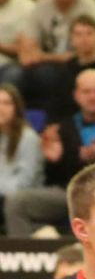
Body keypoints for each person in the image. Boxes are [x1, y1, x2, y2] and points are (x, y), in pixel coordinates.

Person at [3, 69, 95, 237]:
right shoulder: (67, 127)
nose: (92, 97)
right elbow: (57, 179)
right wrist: (55, 161)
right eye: (86, 92)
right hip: (70, 193)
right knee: (18, 202)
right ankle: (24, 251)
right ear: (77, 95)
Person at [15, 0, 95, 108]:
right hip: (48, 68)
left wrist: (44, 56)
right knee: (21, 74)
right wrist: (57, 57)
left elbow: (91, 49)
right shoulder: (40, 7)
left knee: (65, 76)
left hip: (86, 65)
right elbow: (28, 53)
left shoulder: (90, 7)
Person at [0, 82, 42, 232]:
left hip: (24, 197)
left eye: (7, 103)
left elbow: (24, 182)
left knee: (14, 202)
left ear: (16, 108)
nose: (1, 108)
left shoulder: (28, 137)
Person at [0, 0, 35, 87]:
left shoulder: (27, 7)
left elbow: (28, 50)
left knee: (14, 74)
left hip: (11, 64)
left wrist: (2, 47)